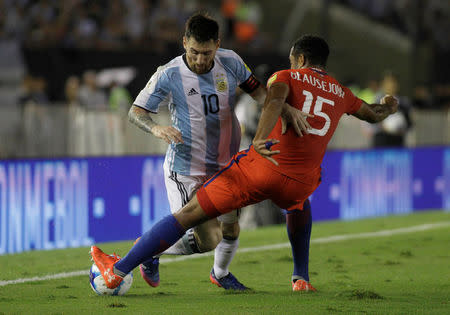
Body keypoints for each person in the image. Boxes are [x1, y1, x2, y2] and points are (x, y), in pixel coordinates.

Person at [91, 35, 398, 292]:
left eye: (293, 59)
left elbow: (274, 100)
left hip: (262, 168)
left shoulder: (287, 76)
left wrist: (261, 138)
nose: (291, 63)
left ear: (301, 58)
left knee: (189, 214)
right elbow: (373, 113)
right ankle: (301, 277)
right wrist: (388, 105)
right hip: (302, 181)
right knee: (298, 205)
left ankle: (117, 270)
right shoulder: (342, 93)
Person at [127, 13, 310, 291]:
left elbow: (259, 93)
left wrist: (284, 109)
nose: (200, 60)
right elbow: (136, 111)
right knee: (206, 239)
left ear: (218, 44)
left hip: (226, 164)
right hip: (186, 168)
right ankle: (149, 249)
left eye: (207, 53)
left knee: (231, 229)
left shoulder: (231, 61)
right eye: (194, 52)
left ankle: (220, 273)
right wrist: (156, 129)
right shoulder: (169, 73)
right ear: (184, 42)